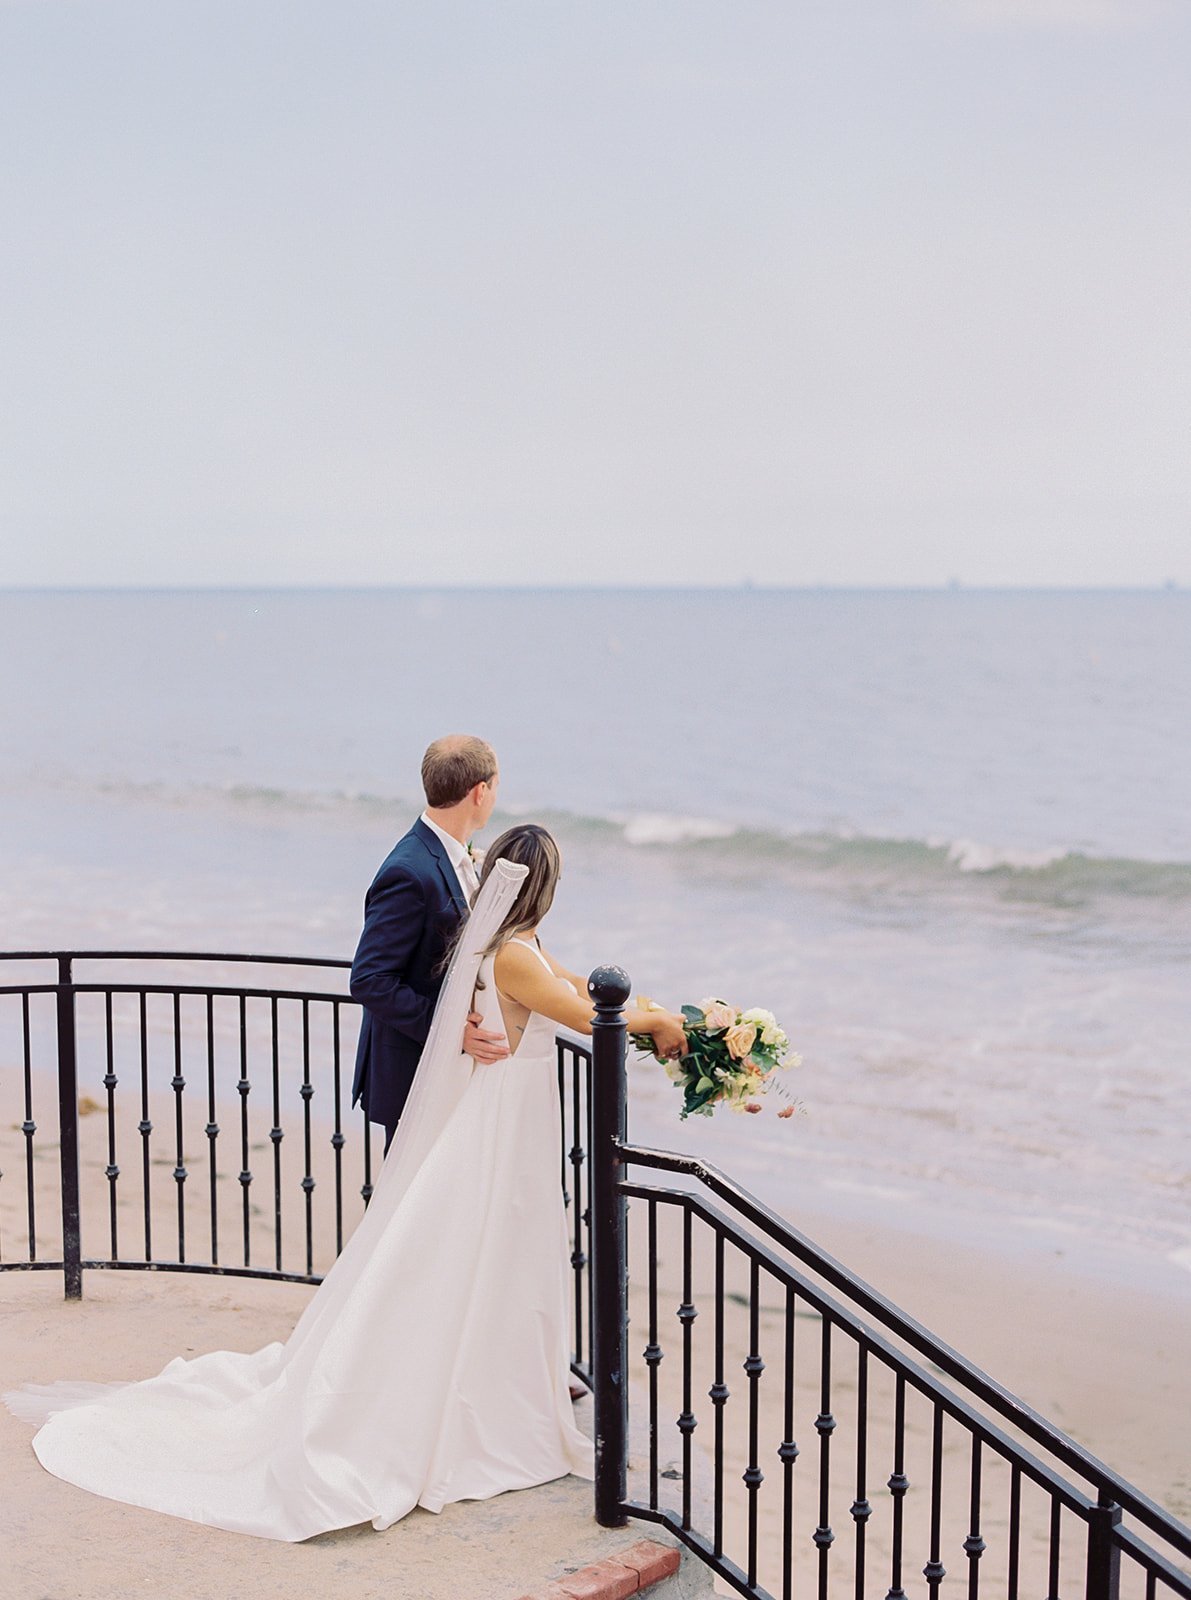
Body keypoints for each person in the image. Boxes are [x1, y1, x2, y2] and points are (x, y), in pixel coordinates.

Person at [4, 824, 688, 1541]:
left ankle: (496, 1381)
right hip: (496, 1133)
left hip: (508, 1128)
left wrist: (675, 1014)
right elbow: (587, 1013)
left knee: (491, 1259)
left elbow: (581, 987)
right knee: (470, 1256)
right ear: (546, 887)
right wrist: (663, 1021)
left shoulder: (515, 948)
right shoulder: (514, 956)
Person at [350, 734, 510, 1152]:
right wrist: (450, 1030)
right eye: (495, 786)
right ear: (480, 792)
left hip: (446, 1073)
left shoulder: (456, 855)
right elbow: (370, 980)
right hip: (413, 1075)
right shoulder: (409, 872)